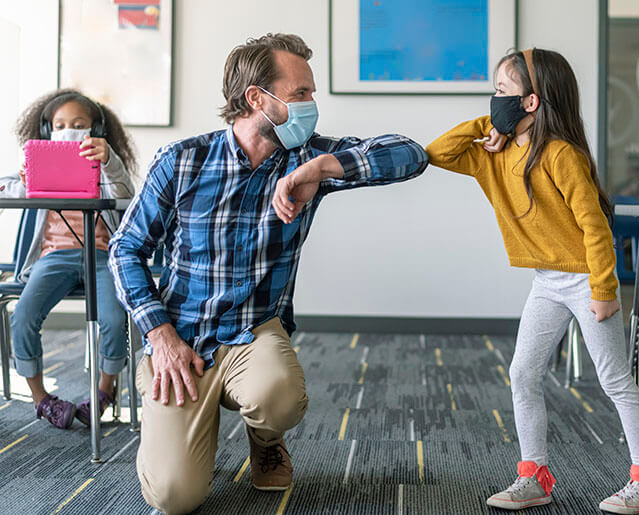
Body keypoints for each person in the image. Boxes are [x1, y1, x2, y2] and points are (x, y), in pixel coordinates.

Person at [109, 33, 427, 514]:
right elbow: (126, 249)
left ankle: (265, 436)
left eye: (311, 92)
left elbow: (410, 154)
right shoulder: (182, 161)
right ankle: (180, 411)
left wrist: (323, 166)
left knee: (278, 398)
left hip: (253, 331)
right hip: (181, 339)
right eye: (300, 93)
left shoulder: (306, 159)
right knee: (174, 497)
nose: (311, 104)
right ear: (257, 97)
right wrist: (161, 335)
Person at [425, 48, 639, 514]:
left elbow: (595, 228)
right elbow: (438, 152)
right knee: (523, 373)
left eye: (501, 92)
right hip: (546, 281)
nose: (495, 99)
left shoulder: (561, 156)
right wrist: (486, 126)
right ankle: (533, 476)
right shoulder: (493, 156)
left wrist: (604, 290)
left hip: (584, 279)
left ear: (531, 102)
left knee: (614, 378)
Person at [0, 89, 136, 429]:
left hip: (102, 256)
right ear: (47, 131)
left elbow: (125, 193)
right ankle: (40, 398)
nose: (68, 129)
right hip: (54, 257)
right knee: (24, 315)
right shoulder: (39, 168)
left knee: (113, 318)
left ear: (96, 130)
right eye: (59, 125)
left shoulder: (106, 167)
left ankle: (106, 390)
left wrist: (109, 161)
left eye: (78, 124)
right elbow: (7, 189)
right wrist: (26, 176)